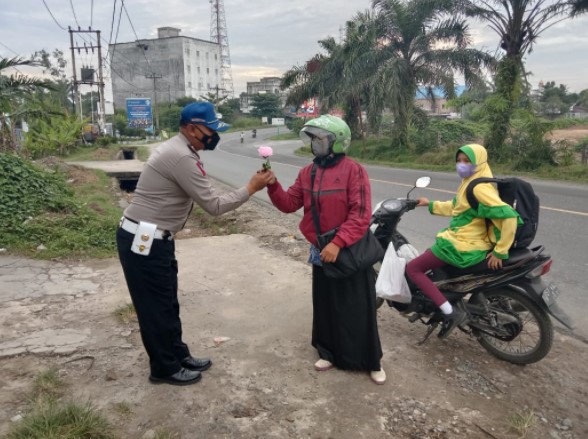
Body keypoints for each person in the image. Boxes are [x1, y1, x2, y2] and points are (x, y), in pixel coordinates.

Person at [116, 102, 274, 386]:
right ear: (191, 129)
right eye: (209, 130)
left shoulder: (183, 149)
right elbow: (213, 205)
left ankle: (177, 354)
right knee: (156, 307)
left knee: (167, 302)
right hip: (144, 240)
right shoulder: (180, 157)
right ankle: (164, 368)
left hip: (153, 237)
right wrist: (251, 188)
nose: (213, 135)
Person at [264, 115, 386, 385]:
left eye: (320, 139)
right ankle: (328, 352)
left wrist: (338, 242)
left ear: (336, 142)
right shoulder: (307, 173)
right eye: (313, 139)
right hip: (320, 249)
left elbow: (361, 214)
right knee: (326, 304)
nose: (314, 144)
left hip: (350, 248)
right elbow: (288, 204)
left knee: (357, 305)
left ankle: (370, 360)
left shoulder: (354, 170)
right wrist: (272, 185)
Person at [405, 143, 521, 339]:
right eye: (459, 161)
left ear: (480, 162)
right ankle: (444, 299)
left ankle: (450, 312)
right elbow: (457, 207)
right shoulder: (472, 182)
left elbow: (509, 216)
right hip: (466, 239)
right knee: (429, 255)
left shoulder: (479, 189)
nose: (461, 165)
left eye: (467, 161)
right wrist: (430, 204)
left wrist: (501, 250)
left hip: (462, 246)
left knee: (413, 269)